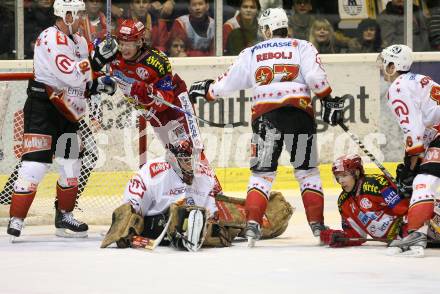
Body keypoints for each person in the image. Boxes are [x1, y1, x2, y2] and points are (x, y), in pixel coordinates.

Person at [188, 8, 344, 247]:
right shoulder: (302, 46)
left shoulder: (251, 52)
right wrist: (327, 98)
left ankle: (252, 225)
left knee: (262, 175)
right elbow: (315, 78)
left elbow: (228, 82)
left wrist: (208, 90)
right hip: (299, 116)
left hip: (266, 118)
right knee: (307, 172)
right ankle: (317, 225)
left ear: (267, 29)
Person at [6, 0, 118, 239]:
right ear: (67, 16)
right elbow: (68, 73)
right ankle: (17, 219)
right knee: (35, 164)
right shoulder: (49, 38)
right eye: (78, 15)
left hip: (68, 112)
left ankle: (64, 216)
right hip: (43, 109)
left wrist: (98, 84)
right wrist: (98, 59)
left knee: (71, 164)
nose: (81, 19)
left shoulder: (79, 41)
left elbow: (82, 81)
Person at [100, 139, 294, 251]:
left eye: (193, 159)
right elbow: (130, 208)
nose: (191, 165)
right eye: (185, 160)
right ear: (172, 159)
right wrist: (128, 225)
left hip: (191, 220)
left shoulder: (204, 173)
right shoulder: (152, 172)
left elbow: (214, 209)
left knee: (250, 219)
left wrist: (214, 225)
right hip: (155, 225)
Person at [111, 19, 222, 195]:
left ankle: (215, 192)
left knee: (191, 151)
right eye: (122, 43)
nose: (124, 48)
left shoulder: (157, 61)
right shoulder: (113, 54)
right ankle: (189, 195)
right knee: (174, 155)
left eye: (129, 43)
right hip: (153, 114)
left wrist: (148, 92)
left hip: (175, 104)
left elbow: (166, 99)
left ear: (139, 41)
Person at [377, 44, 440, 256]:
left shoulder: (397, 88)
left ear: (393, 66)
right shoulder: (419, 79)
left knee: (422, 181)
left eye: (385, 62)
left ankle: (416, 234)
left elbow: (413, 131)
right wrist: (411, 160)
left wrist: (411, 167)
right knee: (425, 179)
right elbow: (424, 128)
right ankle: (418, 233)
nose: (382, 66)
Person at [320, 154, 410, 247]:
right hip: (397, 242)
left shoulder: (376, 184)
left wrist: (410, 231)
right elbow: (356, 235)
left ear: (357, 173)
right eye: (338, 177)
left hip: (415, 232)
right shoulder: (343, 202)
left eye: (344, 175)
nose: (341, 181)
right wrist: (343, 238)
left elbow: (405, 209)